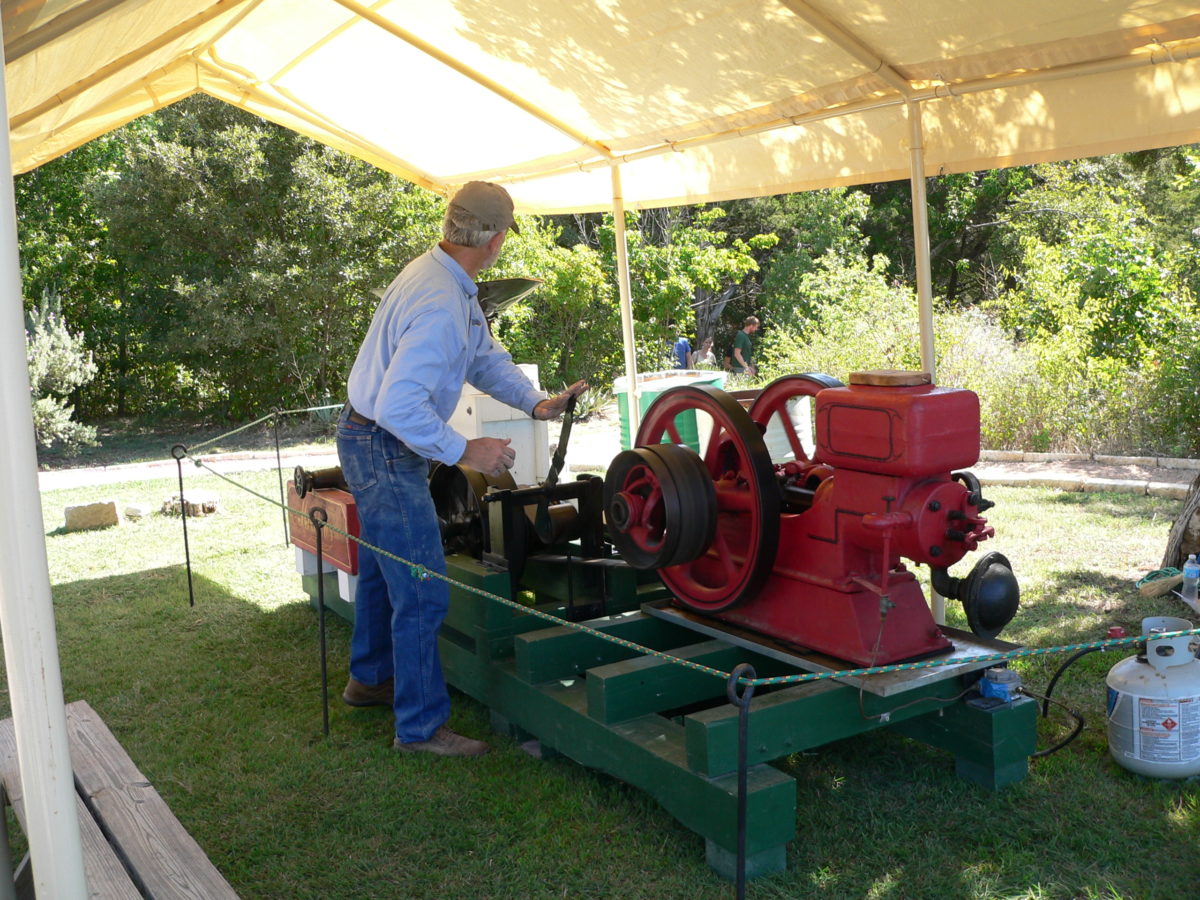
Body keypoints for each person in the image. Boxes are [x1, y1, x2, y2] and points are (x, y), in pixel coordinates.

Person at [337, 181, 586, 758]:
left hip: (369, 437)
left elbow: (481, 355)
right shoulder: (442, 304)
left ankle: (369, 678)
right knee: (422, 587)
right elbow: (400, 406)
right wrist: (466, 451)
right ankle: (420, 729)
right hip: (382, 442)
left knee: (382, 566)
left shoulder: (441, 277)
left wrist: (533, 403)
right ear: (497, 239)